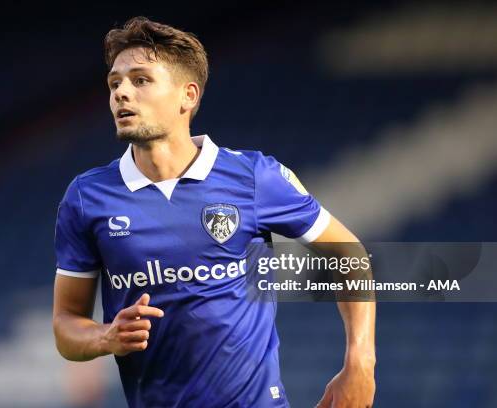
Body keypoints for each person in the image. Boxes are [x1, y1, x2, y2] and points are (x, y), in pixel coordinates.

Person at [52, 16, 375, 408]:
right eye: (115, 83)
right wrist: (105, 337)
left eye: (140, 80)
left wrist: (360, 362)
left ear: (188, 96)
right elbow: (66, 324)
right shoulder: (88, 196)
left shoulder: (255, 177)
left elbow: (348, 255)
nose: (122, 93)